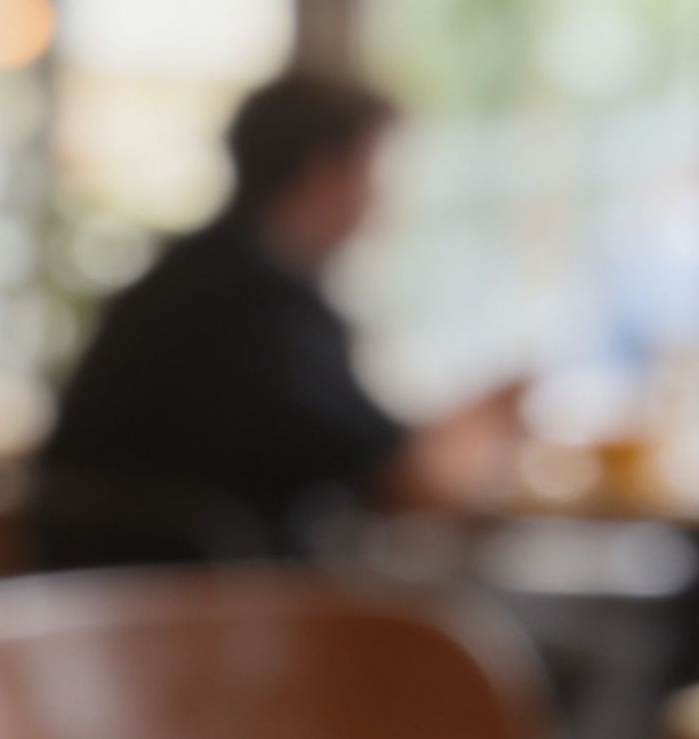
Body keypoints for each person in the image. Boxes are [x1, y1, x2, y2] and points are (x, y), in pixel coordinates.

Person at [30, 72, 522, 572]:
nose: (380, 202)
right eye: (371, 174)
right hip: (197, 620)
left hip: (115, 605)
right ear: (320, 174)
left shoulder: (184, 284)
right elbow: (407, 483)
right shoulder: (256, 316)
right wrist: (486, 421)